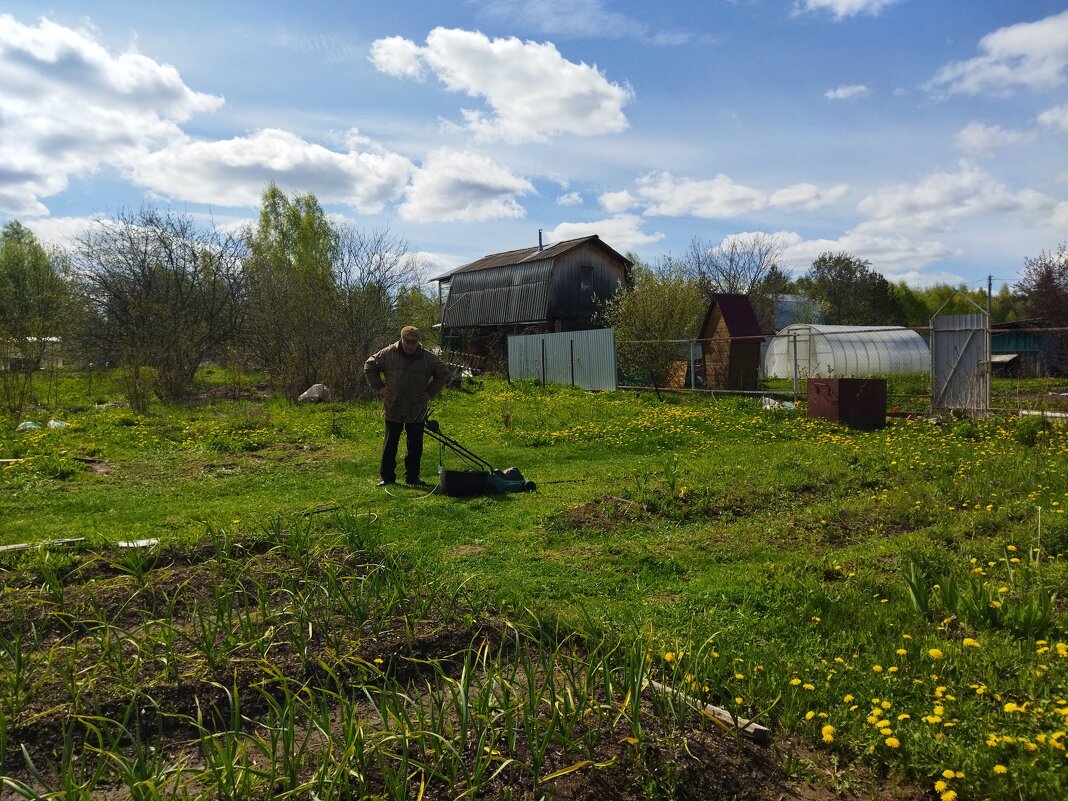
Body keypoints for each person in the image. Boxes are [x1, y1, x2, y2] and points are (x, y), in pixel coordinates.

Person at [364, 326, 451, 486]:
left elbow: (444, 374)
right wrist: (380, 387)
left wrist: (430, 392)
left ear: (418, 342)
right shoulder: (388, 353)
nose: (410, 346)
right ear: (401, 339)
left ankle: (413, 477)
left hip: (416, 407)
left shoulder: (427, 358)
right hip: (394, 405)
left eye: (414, 342)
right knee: (390, 444)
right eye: (407, 342)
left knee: (415, 446)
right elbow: (369, 367)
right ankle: (388, 478)